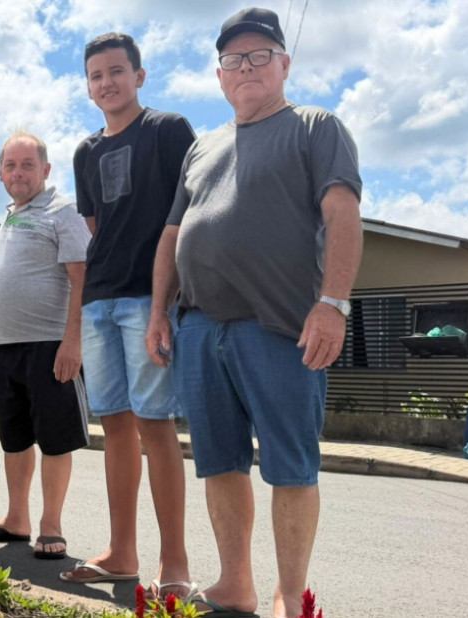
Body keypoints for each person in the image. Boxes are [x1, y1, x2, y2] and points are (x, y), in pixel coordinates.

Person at [148, 8, 362, 617]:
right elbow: (171, 235)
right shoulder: (201, 149)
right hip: (199, 328)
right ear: (219, 76)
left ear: (283, 65)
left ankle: (290, 597)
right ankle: (234, 582)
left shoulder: (316, 127)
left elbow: (341, 213)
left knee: (291, 466)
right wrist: (160, 311)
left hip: (282, 327)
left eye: (259, 56)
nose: (246, 67)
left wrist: (332, 303)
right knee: (219, 462)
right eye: (233, 60)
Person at [60, 33, 196, 596]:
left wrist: (165, 301)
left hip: (148, 299)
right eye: (95, 75)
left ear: (139, 75)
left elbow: (187, 213)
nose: (106, 82)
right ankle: (122, 552)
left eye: (116, 71)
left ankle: (176, 564)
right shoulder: (84, 152)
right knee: (114, 426)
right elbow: (96, 228)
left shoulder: (169, 130)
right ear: (88, 87)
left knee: (155, 426)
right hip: (98, 300)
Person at [0, 132, 90, 560]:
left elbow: (82, 278)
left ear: (45, 170)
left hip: (50, 344)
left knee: (55, 439)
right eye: (10, 165)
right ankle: (16, 519)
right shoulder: (9, 218)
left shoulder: (62, 210)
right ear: (1, 173)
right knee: (15, 439)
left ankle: (50, 523)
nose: (18, 172)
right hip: (4, 349)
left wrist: (72, 342)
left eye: (27, 164)